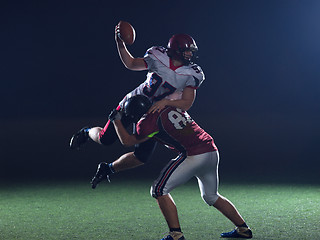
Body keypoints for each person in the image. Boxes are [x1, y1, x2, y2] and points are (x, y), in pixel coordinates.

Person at [91, 95, 253, 240]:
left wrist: (116, 121)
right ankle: (243, 229)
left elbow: (127, 141)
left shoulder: (147, 122)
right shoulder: (167, 106)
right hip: (211, 150)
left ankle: (175, 234)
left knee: (158, 190)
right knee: (211, 196)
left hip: (193, 154)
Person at [70, 22, 205, 169]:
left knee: (141, 156)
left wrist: (166, 102)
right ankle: (86, 132)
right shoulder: (158, 56)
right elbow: (132, 64)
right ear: (176, 50)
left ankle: (108, 169)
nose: (190, 54)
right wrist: (120, 44)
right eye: (187, 51)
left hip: (153, 113)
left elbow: (186, 103)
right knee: (105, 139)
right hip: (133, 103)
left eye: (191, 51)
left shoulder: (192, 73)